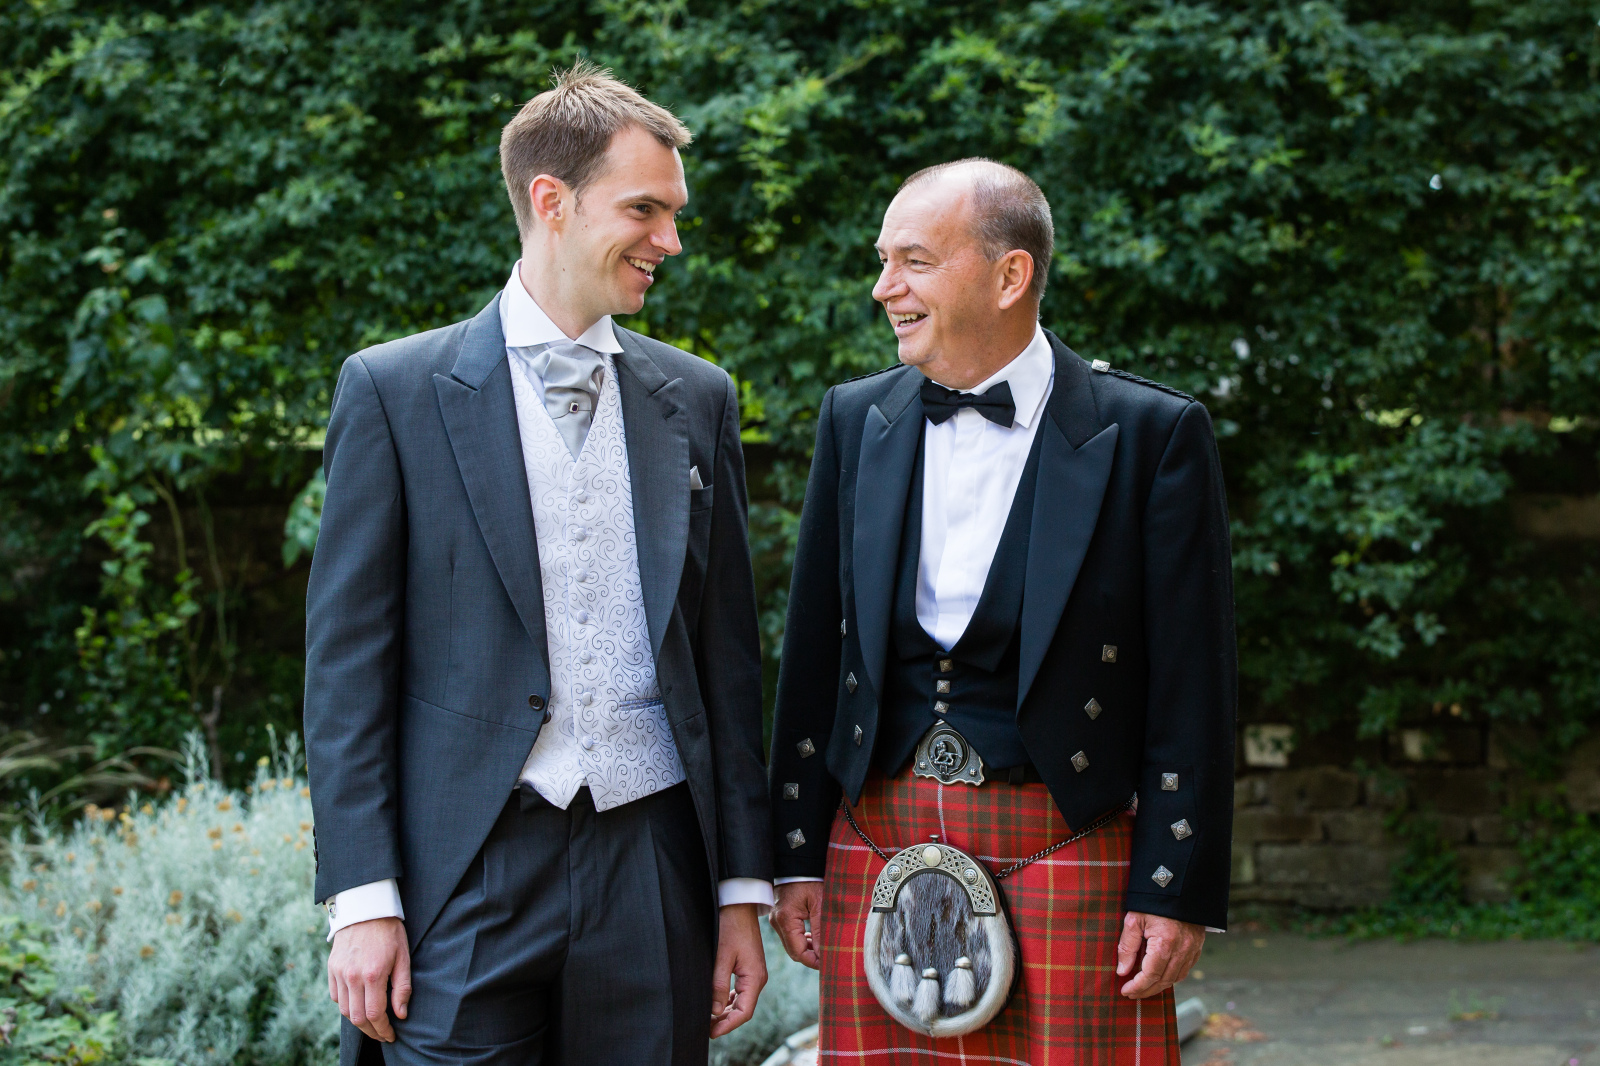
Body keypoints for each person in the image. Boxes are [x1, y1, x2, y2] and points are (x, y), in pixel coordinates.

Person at [303, 62, 772, 1066]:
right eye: (644, 209)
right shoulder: (393, 391)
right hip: (464, 869)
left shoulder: (698, 398)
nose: (671, 240)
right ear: (551, 201)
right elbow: (346, 668)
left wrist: (741, 888)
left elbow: (727, 661)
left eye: (674, 213)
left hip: (653, 858)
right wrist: (363, 896)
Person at [766, 158, 1235, 1063]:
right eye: (883, 261)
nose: (884, 288)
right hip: (876, 833)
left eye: (914, 261)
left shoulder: (1151, 434)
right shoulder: (855, 419)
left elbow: (1192, 683)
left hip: (1068, 839)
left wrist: (1172, 885)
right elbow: (815, 655)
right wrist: (793, 855)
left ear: (1010, 275)